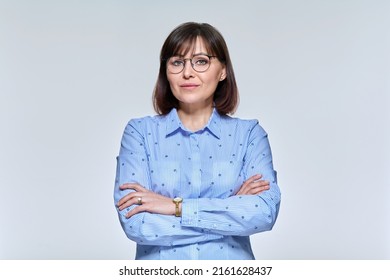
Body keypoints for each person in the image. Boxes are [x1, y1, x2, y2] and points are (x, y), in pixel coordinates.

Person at [114, 22, 281, 260]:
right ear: (166, 71)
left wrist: (175, 207)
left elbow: (263, 213)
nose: (187, 72)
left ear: (222, 70)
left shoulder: (249, 134)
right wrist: (230, 210)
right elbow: (138, 225)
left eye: (201, 61)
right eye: (177, 62)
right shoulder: (139, 132)